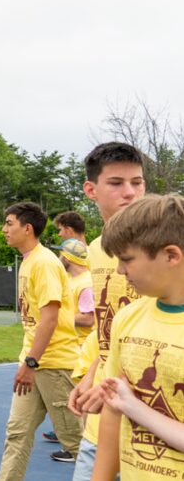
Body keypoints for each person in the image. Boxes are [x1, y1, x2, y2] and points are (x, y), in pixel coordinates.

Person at [67, 142, 146, 480]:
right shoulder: (96, 250)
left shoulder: (166, 250)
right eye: (116, 183)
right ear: (91, 190)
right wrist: (91, 377)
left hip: (152, 425)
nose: (130, 192)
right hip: (101, 423)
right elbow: (109, 328)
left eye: (137, 182)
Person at [93, 194, 184, 479]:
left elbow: (125, 404)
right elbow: (113, 410)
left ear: (171, 255)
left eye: (126, 259)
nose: (120, 270)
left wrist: (135, 408)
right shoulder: (127, 318)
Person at [0, 202, 82, 478]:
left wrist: (31, 363)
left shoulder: (44, 263)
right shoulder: (28, 261)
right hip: (33, 364)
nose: (4, 229)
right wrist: (29, 362)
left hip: (53, 365)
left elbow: (50, 318)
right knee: (17, 433)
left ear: (27, 228)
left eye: (9, 223)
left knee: (75, 441)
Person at [41, 238, 95, 446]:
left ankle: (82, 442)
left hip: (82, 348)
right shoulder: (73, 280)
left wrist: (56, 318)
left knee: (80, 396)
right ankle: (68, 433)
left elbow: (88, 318)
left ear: (68, 257)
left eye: (61, 253)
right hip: (73, 345)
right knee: (71, 396)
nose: (58, 257)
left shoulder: (85, 284)